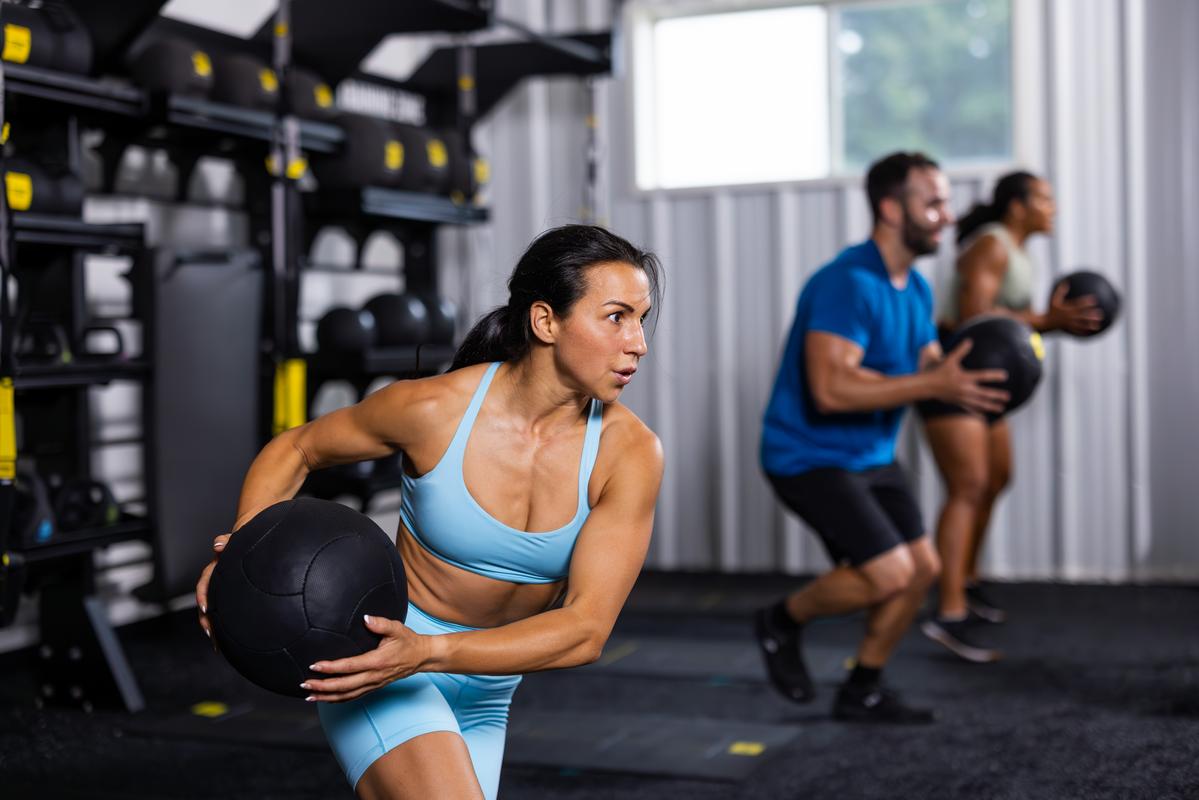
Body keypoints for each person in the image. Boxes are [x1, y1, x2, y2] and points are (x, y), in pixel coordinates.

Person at [196, 225, 664, 800]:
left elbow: (585, 631)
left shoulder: (630, 453)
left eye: (641, 320)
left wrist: (434, 654)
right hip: (384, 656)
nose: (638, 343)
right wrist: (244, 558)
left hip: (487, 689)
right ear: (546, 322)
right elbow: (296, 447)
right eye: (616, 317)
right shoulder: (434, 410)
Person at [755, 152, 1010, 723]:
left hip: (871, 454)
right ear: (892, 209)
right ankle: (781, 620)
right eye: (934, 202)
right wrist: (932, 379)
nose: (947, 215)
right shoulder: (847, 282)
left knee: (924, 569)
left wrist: (983, 376)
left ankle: (863, 687)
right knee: (888, 573)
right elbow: (830, 388)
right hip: (808, 455)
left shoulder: (915, 289)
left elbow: (928, 366)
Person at [918, 172, 1101, 662]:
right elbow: (974, 317)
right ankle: (947, 613)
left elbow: (1007, 322)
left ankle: (967, 581)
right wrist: (1049, 320)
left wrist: (1050, 324)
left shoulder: (1016, 252)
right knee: (968, 487)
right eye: (1044, 198)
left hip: (988, 387)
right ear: (1017, 206)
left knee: (997, 478)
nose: (1053, 207)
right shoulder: (993, 246)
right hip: (953, 382)